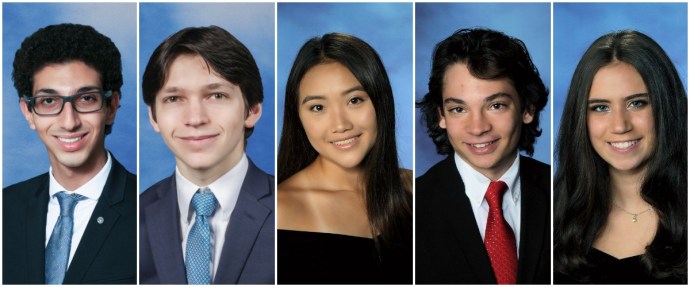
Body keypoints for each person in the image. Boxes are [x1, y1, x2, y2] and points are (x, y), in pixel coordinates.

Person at [139, 26, 274, 284]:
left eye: (216, 95)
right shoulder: (131, 220)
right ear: (153, 117)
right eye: (174, 98)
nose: (195, 118)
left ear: (252, 110)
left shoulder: (288, 212)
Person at [3, 23, 136, 284]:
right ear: (28, 112)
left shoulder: (147, 214)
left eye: (86, 99)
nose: (69, 122)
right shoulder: (4, 209)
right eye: (48, 101)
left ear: (111, 106)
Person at [416, 28, 550, 284]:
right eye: (458, 109)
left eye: (495, 105)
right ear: (441, 116)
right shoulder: (412, 206)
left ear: (527, 108)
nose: (478, 128)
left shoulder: (563, 191)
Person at [277, 33, 412, 284]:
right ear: (298, 117)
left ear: (381, 103)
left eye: (354, 100)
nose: (340, 124)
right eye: (318, 107)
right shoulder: (276, 211)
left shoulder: (416, 190)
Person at [554, 30, 687, 284]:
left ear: (666, 107)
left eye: (636, 103)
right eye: (601, 107)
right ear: (581, 118)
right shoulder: (554, 216)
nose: (619, 125)